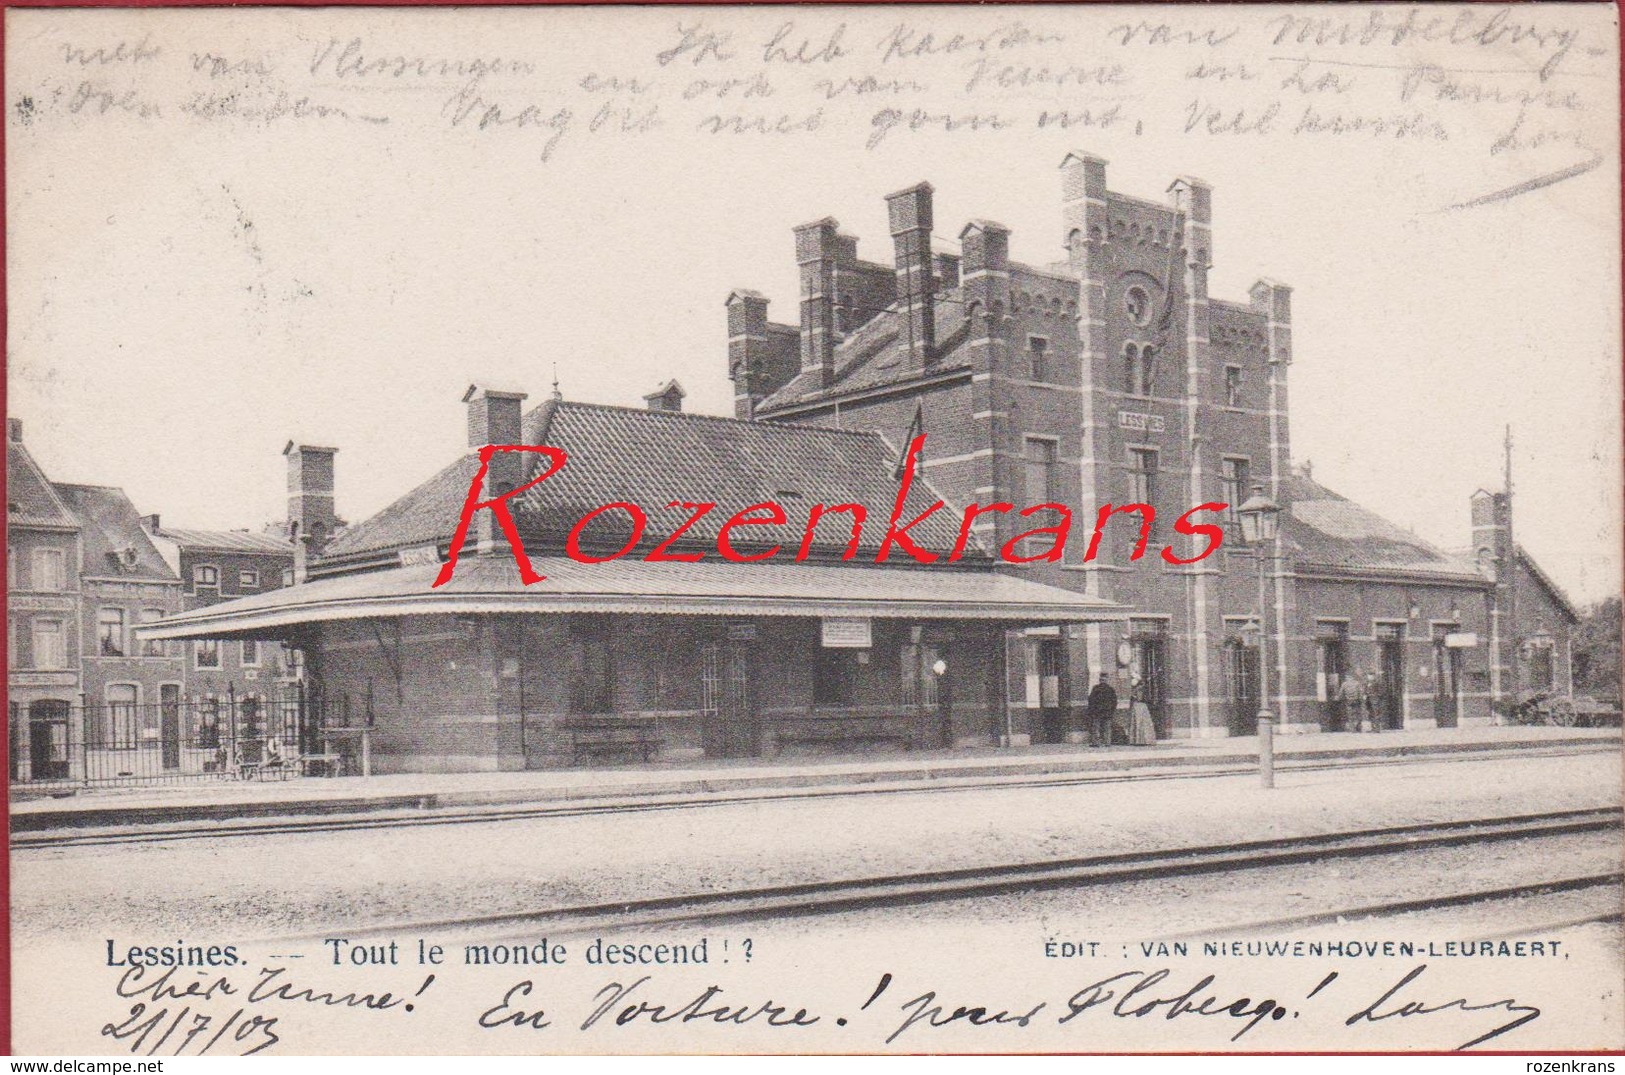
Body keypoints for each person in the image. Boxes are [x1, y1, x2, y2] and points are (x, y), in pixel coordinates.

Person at [1085, 673, 1118, 748]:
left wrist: (1091, 710)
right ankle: (1107, 742)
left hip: (1097, 712)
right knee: (1107, 728)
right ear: (1106, 680)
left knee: (1096, 727)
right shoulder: (1110, 689)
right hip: (1107, 712)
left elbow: (1091, 700)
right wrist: (1112, 710)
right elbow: (1114, 701)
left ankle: (1096, 743)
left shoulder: (1096, 688)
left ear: (1100, 680)